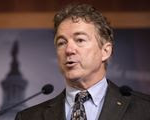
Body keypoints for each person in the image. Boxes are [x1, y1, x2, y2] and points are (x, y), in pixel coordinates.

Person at [15, 3, 150, 120]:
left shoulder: (144, 110)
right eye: (61, 43)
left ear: (105, 51)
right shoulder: (29, 117)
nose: (69, 50)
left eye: (80, 40)